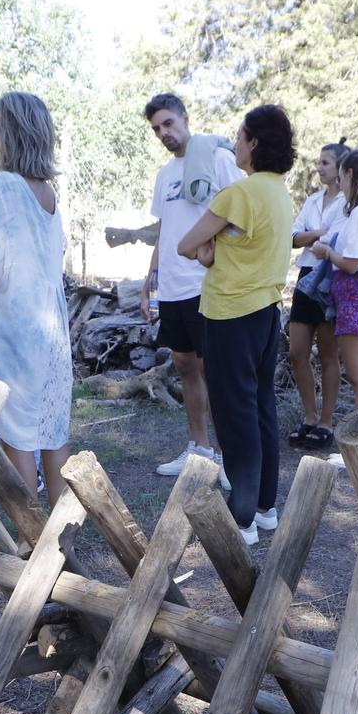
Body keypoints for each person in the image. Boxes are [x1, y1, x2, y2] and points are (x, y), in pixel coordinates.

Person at [178, 104, 297, 544]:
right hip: (267, 312)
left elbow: (186, 245)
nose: (235, 141)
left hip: (231, 315)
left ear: (255, 144)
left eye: (241, 135)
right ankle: (265, 507)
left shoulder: (238, 194)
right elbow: (213, 248)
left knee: (234, 416)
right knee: (262, 410)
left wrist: (209, 248)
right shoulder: (279, 192)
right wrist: (213, 249)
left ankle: (241, 519)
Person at [0, 91, 73, 502]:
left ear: (9, 134)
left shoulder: (4, 185)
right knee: (50, 429)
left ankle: (31, 538)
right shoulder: (47, 193)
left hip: (15, 331)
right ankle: (61, 537)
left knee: (17, 434)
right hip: (48, 327)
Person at [137, 94, 238, 486]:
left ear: (184, 118)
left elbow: (238, 211)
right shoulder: (164, 175)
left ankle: (231, 458)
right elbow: (164, 230)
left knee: (217, 370)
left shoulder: (217, 159)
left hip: (208, 283)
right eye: (157, 129)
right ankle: (200, 449)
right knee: (184, 366)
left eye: (167, 123)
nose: (164, 133)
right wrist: (150, 279)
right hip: (174, 287)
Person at [308, 146, 358, 416]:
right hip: (354, 298)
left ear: (351, 174)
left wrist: (326, 252)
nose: (339, 184)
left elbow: (352, 263)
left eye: (341, 177)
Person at [286, 142, 349, 450]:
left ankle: (326, 421)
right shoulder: (312, 199)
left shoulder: (348, 203)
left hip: (330, 278)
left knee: (327, 354)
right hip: (306, 276)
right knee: (297, 350)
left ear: (340, 168)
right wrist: (316, 235)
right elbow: (294, 237)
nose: (319, 167)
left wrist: (314, 236)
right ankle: (309, 415)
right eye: (319, 162)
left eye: (325, 162)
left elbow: (333, 239)